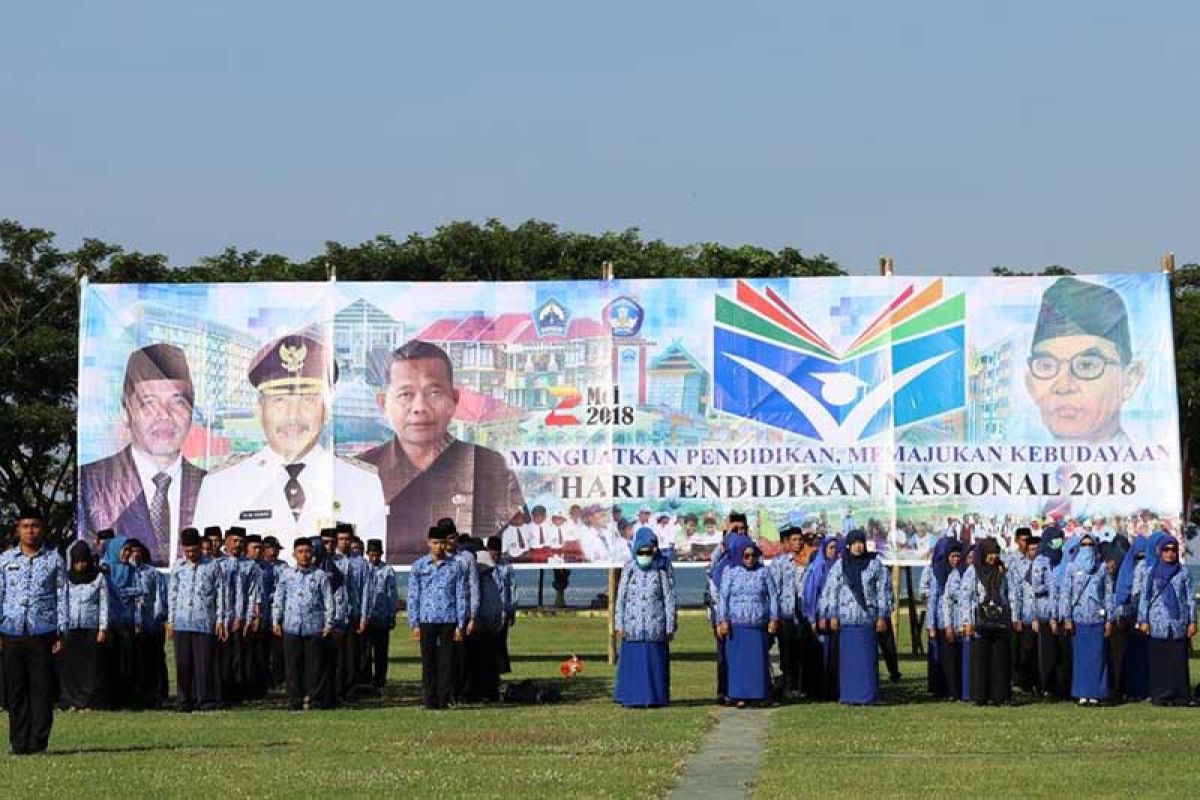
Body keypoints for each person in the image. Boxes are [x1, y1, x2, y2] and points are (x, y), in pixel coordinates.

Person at [193, 333, 386, 542]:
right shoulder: (221, 485)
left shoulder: (362, 484)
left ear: (326, 411)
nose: (293, 415)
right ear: (259, 410)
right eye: (279, 400)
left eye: (308, 399)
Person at [360, 340, 526, 562]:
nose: (420, 407)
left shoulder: (489, 466)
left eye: (434, 392)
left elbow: (516, 536)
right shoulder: (361, 471)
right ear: (383, 403)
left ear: (454, 399)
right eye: (405, 395)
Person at [78, 343, 206, 565]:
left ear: (191, 412)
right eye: (149, 404)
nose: (164, 415)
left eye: (178, 403)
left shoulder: (211, 484)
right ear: (126, 411)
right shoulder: (93, 482)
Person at [1024, 277, 1144, 444]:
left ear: (1129, 380)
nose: (1063, 386)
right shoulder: (1013, 468)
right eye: (1046, 366)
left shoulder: (1148, 469)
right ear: (1030, 385)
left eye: (1086, 365)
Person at [0, 509, 67, 756]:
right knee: (15, 691)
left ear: (42, 529)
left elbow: (62, 595)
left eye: (35, 525)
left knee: (41, 690)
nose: (30, 530)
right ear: (18, 529)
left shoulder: (54, 559)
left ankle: (38, 742)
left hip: (43, 631)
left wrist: (61, 631)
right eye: (26, 526)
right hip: (12, 630)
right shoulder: (5, 560)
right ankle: (18, 743)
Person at [821, 529, 890, 705]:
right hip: (847, 621)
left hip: (867, 619)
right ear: (848, 545)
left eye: (861, 542)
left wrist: (882, 615)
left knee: (866, 661)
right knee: (849, 663)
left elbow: (884, 591)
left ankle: (868, 696)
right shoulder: (840, 565)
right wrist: (832, 615)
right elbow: (831, 591)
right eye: (854, 543)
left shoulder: (875, 564)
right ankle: (849, 695)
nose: (858, 546)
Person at [614, 528, 677, 708]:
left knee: (654, 663)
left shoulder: (662, 568)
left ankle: (655, 698)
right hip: (632, 626)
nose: (645, 555)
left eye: (649, 551)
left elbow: (669, 597)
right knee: (634, 663)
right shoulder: (629, 568)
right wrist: (619, 623)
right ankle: (631, 697)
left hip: (654, 626)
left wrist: (670, 625)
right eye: (641, 551)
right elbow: (621, 597)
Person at [167, 527, 227, 713]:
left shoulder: (213, 566)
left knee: (204, 663)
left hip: (204, 620)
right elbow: (172, 594)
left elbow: (220, 594)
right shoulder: (178, 567)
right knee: (183, 663)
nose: (191, 554)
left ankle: (205, 700)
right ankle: (184, 700)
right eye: (187, 551)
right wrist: (170, 621)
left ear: (201, 547)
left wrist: (220, 620)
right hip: (182, 620)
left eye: (194, 550)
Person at [408, 525, 468, 709]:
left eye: (442, 543)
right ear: (428, 543)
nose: (439, 547)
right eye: (435, 543)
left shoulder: (456, 566)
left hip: (448, 619)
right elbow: (413, 595)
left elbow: (461, 595)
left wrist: (460, 624)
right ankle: (430, 699)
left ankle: (443, 699)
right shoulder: (419, 566)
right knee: (428, 662)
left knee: (446, 662)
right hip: (426, 619)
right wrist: (414, 623)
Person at [717, 533, 779, 708]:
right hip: (737, 626)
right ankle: (739, 695)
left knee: (758, 663)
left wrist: (774, 618)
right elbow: (724, 598)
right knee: (738, 664)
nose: (750, 559)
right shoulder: (731, 573)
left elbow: (773, 596)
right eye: (746, 556)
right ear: (738, 555)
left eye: (753, 555)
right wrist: (723, 620)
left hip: (757, 626)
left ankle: (759, 694)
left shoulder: (763, 572)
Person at [273, 537, 335, 710]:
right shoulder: (287, 575)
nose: (304, 555)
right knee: (292, 666)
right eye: (300, 552)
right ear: (294, 554)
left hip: (314, 626)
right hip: (291, 625)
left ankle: (315, 699)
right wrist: (276, 620)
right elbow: (279, 598)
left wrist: (329, 623)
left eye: (307, 551)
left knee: (314, 666)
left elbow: (328, 600)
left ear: (312, 554)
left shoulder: (320, 575)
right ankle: (295, 700)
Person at [959, 538, 1019, 705]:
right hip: (980, 620)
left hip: (1000, 619)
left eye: (995, 553)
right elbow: (966, 597)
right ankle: (980, 696)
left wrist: (1014, 617)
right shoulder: (973, 572)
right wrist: (967, 621)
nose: (993, 556)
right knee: (980, 659)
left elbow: (1011, 593)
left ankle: (1000, 695)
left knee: (1000, 659)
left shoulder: (1002, 570)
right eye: (990, 553)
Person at [1137, 537, 1196, 706]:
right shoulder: (1151, 572)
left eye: (1173, 550)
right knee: (1159, 660)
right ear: (1160, 551)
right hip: (1157, 622)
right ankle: (1160, 695)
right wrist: (1143, 619)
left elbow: (1190, 598)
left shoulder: (1183, 572)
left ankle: (1180, 696)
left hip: (1178, 622)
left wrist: (1193, 621)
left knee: (1177, 659)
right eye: (1166, 550)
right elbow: (1145, 597)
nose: (1170, 553)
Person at [59, 540, 110, 711]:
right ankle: (71, 699)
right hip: (71, 627)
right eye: (77, 561)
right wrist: (61, 627)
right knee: (71, 665)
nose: (80, 565)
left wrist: (102, 628)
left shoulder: (98, 577)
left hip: (91, 627)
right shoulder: (66, 578)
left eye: (83, 561)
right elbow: (62, 602)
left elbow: (104, 603)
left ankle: (88, 701)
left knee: (90, 667)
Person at [466, 537, 515, 702]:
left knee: (496, 653)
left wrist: (509, 611)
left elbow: (510, 590)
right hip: (481, 619)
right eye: (492, 552)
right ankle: (481, 689)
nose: (495, 555)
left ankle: (492, 686)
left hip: (497, 617)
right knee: (482, 655)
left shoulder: (504, 567)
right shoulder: (479, 569)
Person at [768, 523, 807, 699]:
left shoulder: (807, 562)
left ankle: (799, 686)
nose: (798, 543)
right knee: (786, 652)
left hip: (803, 614)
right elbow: (774, 589)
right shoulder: (780, 563)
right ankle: (786, 686)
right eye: (794, 540)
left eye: (800, 540)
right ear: (787, 542)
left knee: (801, 651)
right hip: (786, 614)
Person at [130, 538, 169, 706]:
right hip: (132, 624)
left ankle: (159, 693)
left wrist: (158, 618)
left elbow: (160, 597)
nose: (135, 554)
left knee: (156, 659)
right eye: (131, 551)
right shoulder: (124, 572)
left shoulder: (153, 573)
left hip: (151, 623)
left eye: (137, 550)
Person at [1031, 526, 1068, 698]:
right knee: (1047, 653)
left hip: (1061, 612)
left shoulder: (1063, 559)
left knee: (1062, 652)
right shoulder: (1040, 561)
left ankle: (1061, 687)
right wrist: (1054, 586)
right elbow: (1036, 586)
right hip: (1045, 612)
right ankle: (1046, 686)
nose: (1059, 542)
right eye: (1055, 539)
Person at [359, 539, 399, 693]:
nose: (374, 558)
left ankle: (380, 682)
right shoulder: (364, 569)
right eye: (371, 555)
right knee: (365, 651)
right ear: (367, 554)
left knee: (381, 652)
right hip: (366, 616)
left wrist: (391, 614)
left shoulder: (387, 570)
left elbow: (392, 594)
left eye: (377, 555)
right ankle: (365, 681)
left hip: (381, 617)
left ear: (381, 554)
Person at [802, 536, 838, 700]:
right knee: (818, 655)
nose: (834, 551)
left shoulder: (838, 567)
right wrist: (812, 619)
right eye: (830, 548)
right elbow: (810, 595)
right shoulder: (816, 569)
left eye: (836, 548)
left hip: (835, 618)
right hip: (818, 618)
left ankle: (833, 689)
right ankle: (817, 691)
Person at [918, 536, 955, 698]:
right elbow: (924, 592)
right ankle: (937, 688)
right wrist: (931, 625)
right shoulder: (931, 570)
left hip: (953, 620)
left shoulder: (957, 571)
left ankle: (951, 687)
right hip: (937, 619)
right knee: (936, 656)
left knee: (950, 657)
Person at [1115, 535, 1149, 700]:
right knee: (1130, 655)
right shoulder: (1127, 568)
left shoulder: (1149, 568)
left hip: (1145, 618)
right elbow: (1122, 593)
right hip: (1129, 617)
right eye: (1138, 555)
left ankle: (1143, 689)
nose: (1141, 558)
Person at [938, 542, 967, 700]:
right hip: (947, 621)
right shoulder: (939, 572)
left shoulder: (966, 573)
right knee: (949, 659)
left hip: (964, 622)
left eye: (958, 556)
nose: (956, 560)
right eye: (952, 556)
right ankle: (952, 691)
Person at [1012, 535, 1041, 693]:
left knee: (1040, 653)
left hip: (1042, 615)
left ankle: (1039, 683)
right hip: (1026, 616)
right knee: (1026, 652)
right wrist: (1016, 617)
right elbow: (1016, 594)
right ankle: (1025, 683)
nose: (1034, 552)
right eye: (1031, 549)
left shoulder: (1044, 565)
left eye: (1036, 549)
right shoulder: (1019, 567)